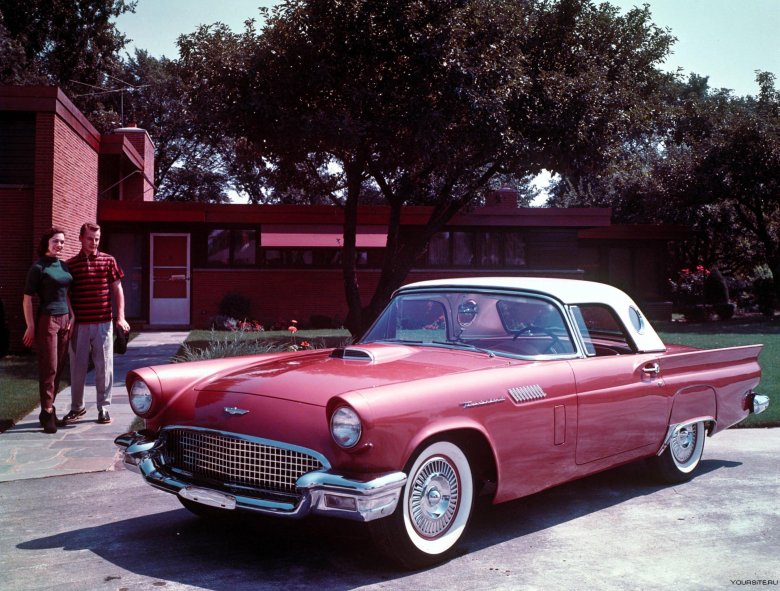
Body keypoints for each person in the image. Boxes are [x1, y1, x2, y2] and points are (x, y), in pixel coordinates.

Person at [61, 223, 130, 425]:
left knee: (104, 367)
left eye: (97, 238)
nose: (94, 242)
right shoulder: (70, 265)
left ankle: (104, 408)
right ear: (81, 238)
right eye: (90, 238)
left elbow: (118, 289)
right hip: (80, 325)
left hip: (103, 323)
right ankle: (77, 408)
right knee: (77, 368)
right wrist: (71, 316)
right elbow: (66, 294)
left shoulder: (109, 261)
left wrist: (121, 317)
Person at [23, 227, 74, 433]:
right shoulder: (38, 267)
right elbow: (27, 299)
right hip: (48, 320)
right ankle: (46, 410)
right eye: (55, 241)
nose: (59, 245)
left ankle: (50, 411)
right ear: (46, 243)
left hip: (65, 320)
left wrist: (72, 315)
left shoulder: (63, 265)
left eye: (62, 242)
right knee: (49, 367)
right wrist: (31, 326)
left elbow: (66, 293)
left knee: (60, 366)